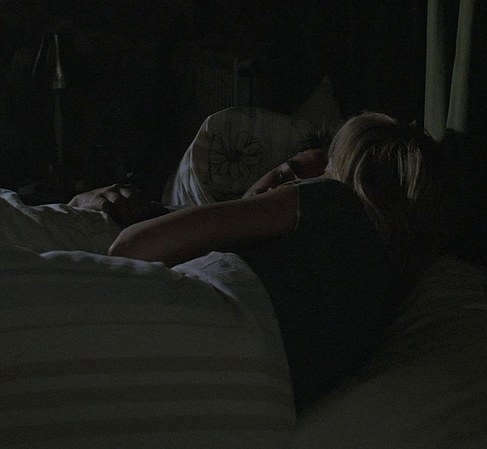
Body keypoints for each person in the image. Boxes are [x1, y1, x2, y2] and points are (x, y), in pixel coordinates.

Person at [70, 112, 445, 411]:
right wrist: (84, 200)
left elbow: (129, 248)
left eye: (299, 186)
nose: (279, 192)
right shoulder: (378, 292)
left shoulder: (332, 208)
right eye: (287, 176)